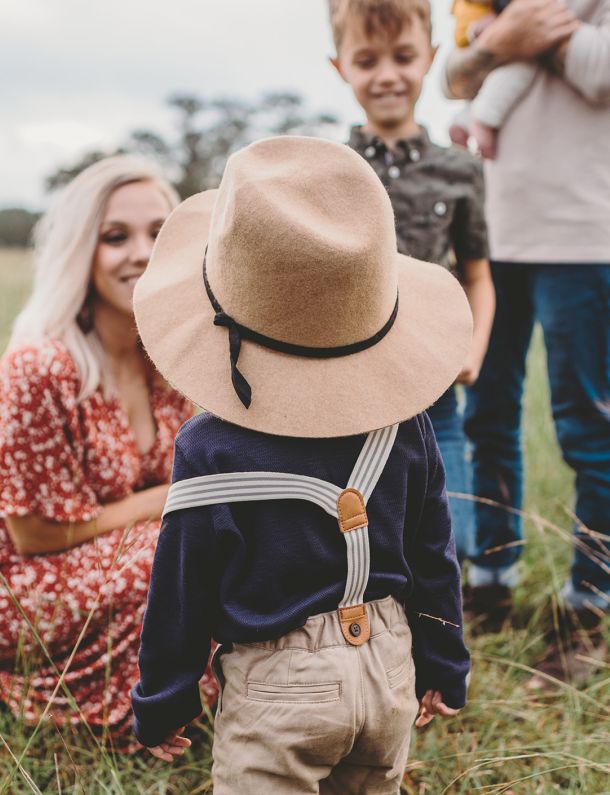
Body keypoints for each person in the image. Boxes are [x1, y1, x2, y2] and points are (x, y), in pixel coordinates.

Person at [131, 136, 471, 792]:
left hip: (278, 686)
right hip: (390, 667)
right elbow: (435, 557)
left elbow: (181, 586)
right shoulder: (409, 425)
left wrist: (165, 698)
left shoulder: (208, 447)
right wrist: (444, 664)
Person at [0, 155, 217, 747]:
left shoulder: (172, 360)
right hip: (29, 585)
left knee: (223, 538)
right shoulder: (41, 366)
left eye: (158, 233)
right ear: (82, 252)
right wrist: (168, 500)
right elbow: (32, 536)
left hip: (125, 559)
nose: (142, 253)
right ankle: (117, 709)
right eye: (115, 237)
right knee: (176, 551)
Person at [444, 0, 610, 683]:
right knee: (486, 413)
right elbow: (453, 75)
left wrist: (537, 33)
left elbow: (602, 73)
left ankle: (589, 605)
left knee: (588, 426)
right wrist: (507, 36)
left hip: (585, 235)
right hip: (492, 236)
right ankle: (491, 579)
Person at [327, 0, 495, 563]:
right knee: (359, 528)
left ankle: (448, 600)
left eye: (403, 57)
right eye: (366, 61)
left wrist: (472, 349)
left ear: (430, 56)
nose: (387, 76)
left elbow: (477, 274)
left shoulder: (461, 169)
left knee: (447, 527)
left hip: (434, 388)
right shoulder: (332, 166)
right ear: (340, 67)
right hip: (348, 385)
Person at [449, 0, 581, 159]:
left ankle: (465, 120)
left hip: (499, 36)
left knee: (500, 80)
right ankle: (483, 118)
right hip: (506, 38)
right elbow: (448, 81)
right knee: (517, 71)